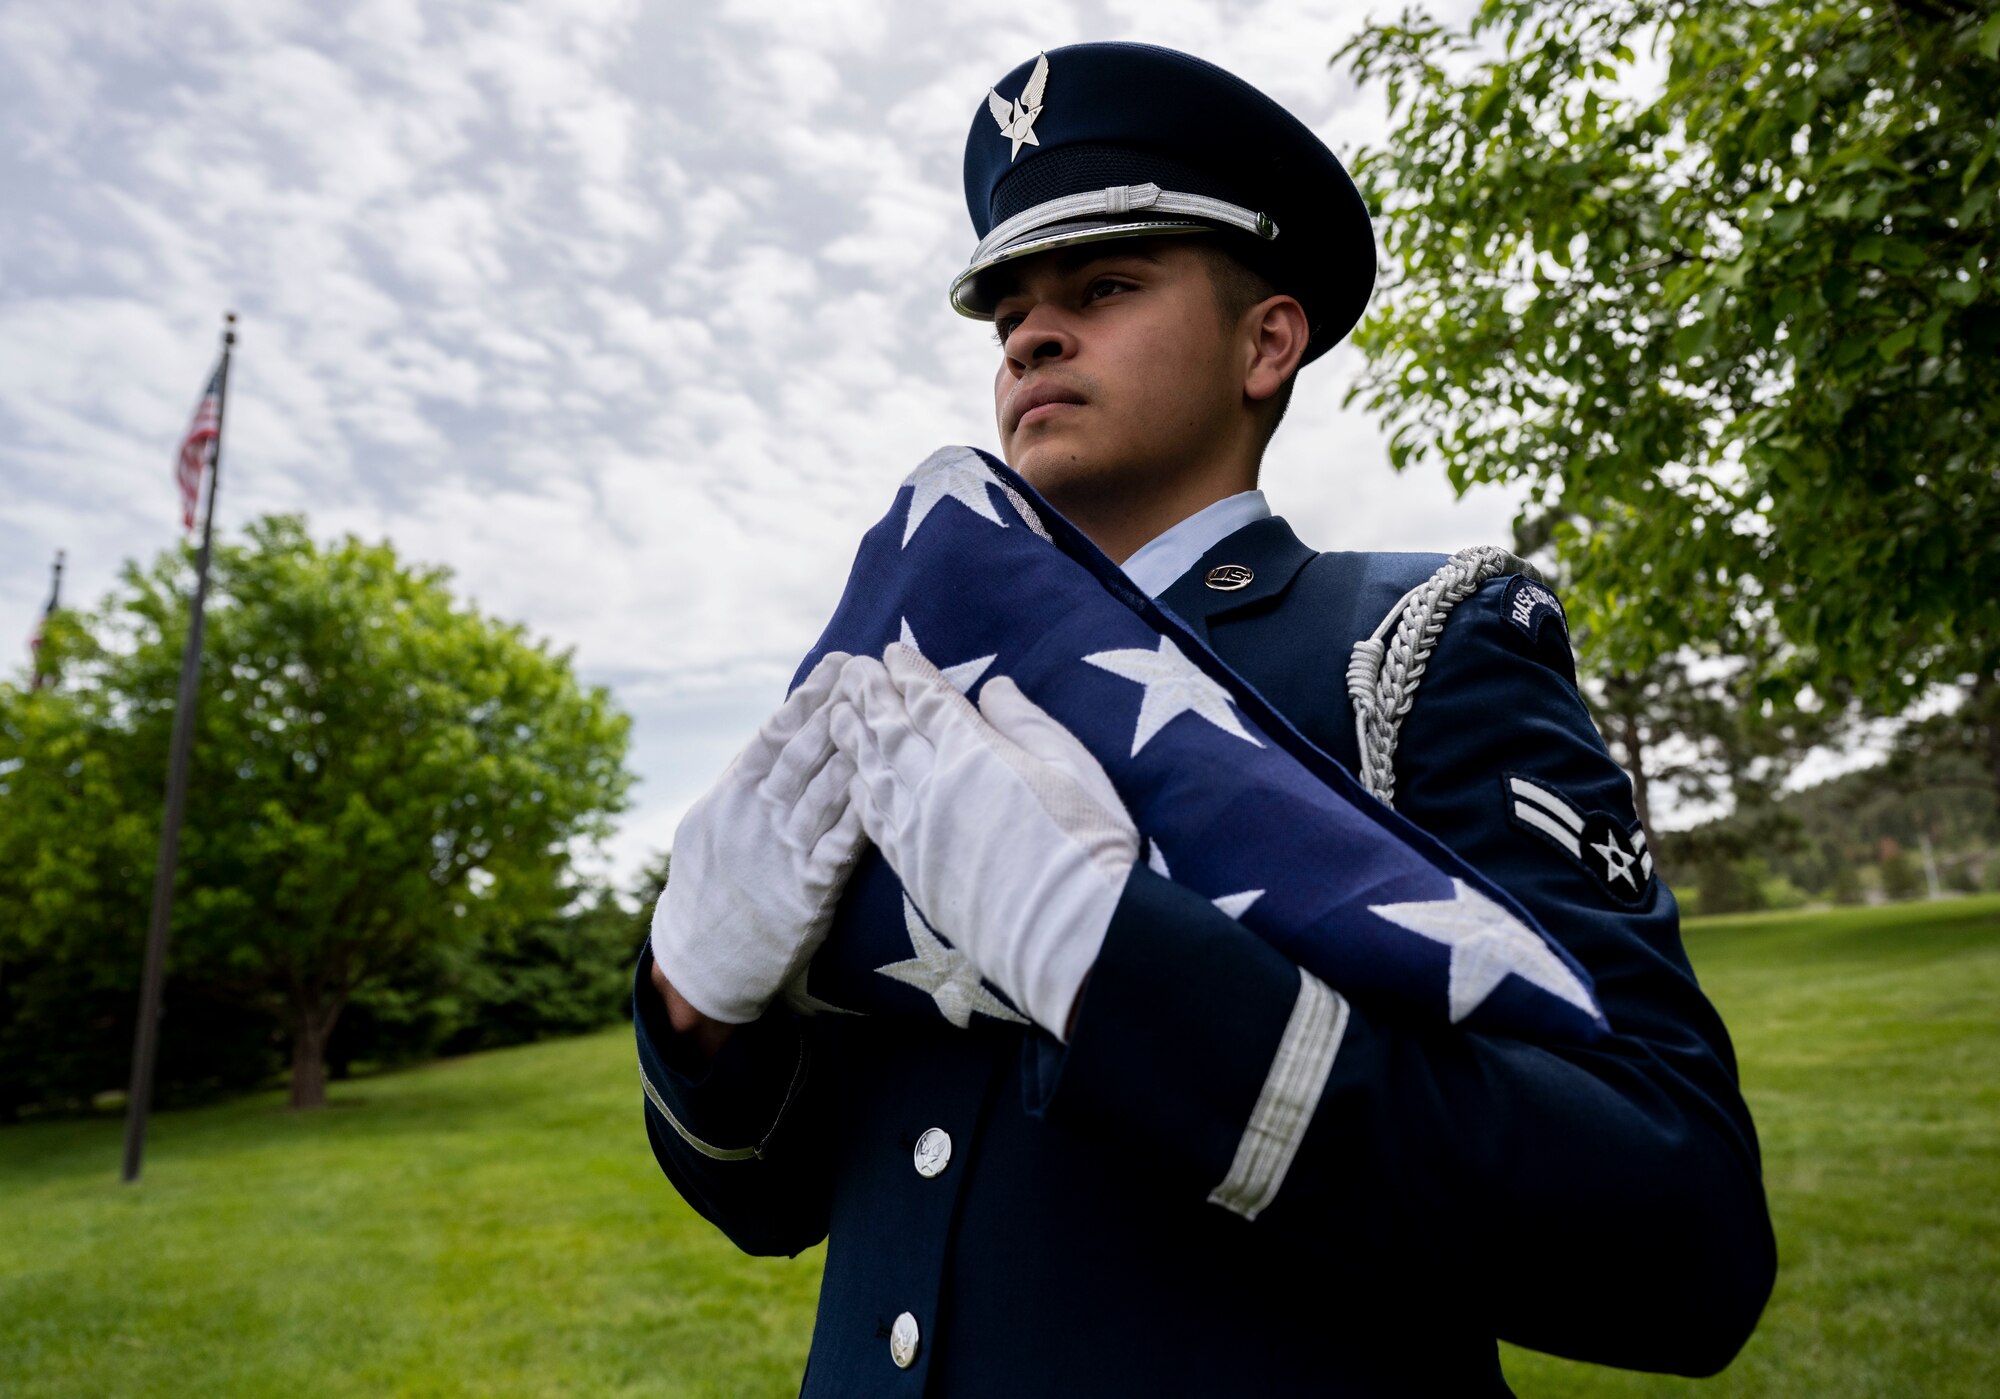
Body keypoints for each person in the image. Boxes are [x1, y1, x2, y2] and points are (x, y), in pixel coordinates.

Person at [633, 41, 1775, 1396]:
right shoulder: (905, 698)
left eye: (1103, 287)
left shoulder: (1409, 647)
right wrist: (696, 1012)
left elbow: (1682, 1235)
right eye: (1009, 317)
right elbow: (777, 1205)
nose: (1032, 337)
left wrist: (1117, 962)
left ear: (1266, 339)